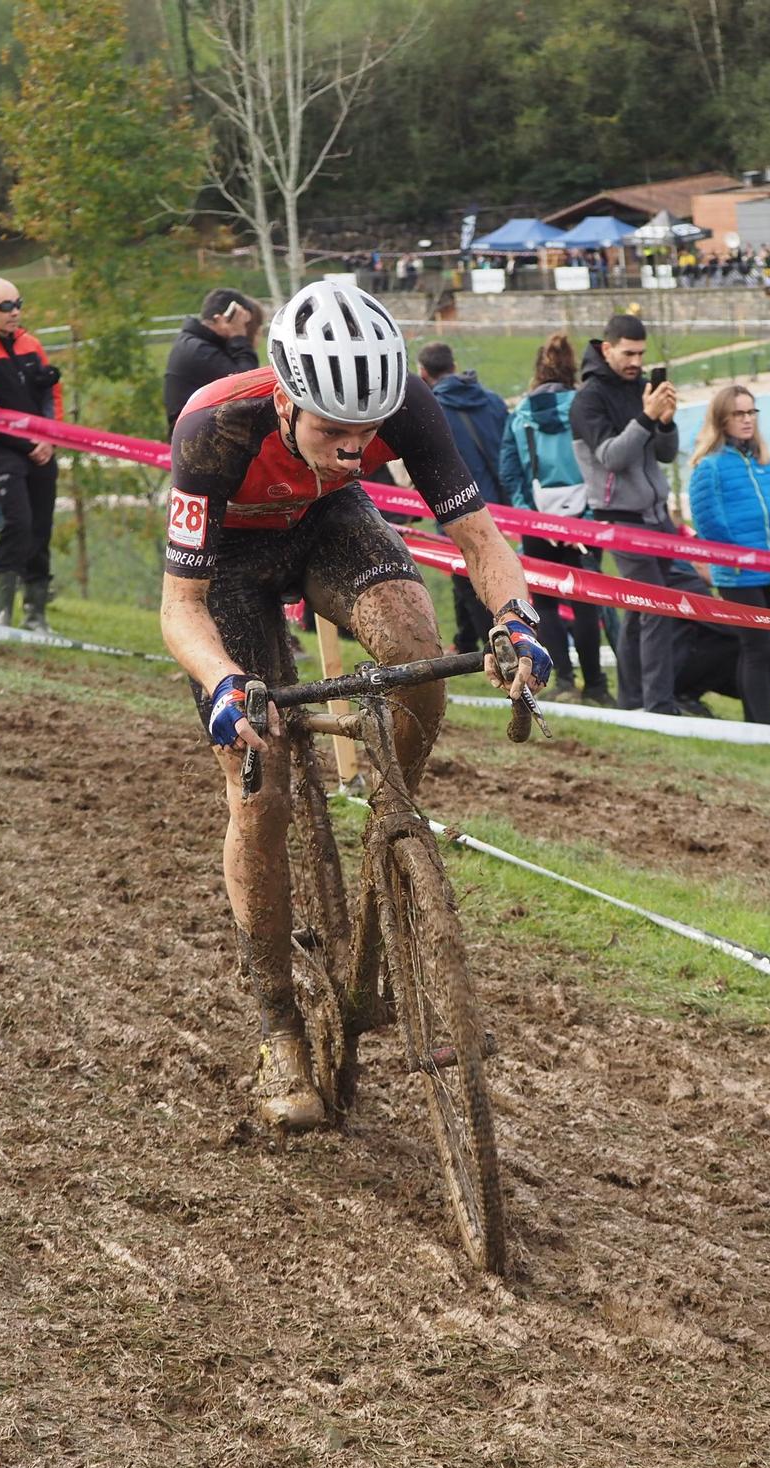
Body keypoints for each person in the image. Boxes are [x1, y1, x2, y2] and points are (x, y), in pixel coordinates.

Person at [159, 281, 548, 1132]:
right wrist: (227, 687)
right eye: (332, 430)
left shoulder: (403, 400)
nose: (353, 447)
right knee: (257, 794)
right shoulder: (212, 427)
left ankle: (390, 821)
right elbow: (177, 608)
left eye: (367, 432)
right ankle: (279, 1029)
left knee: (414, 640)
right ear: (286, 399)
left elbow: (482, 542)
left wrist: (517, 621)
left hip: (328, 527)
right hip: (224, 569)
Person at [570, 312, 703, 714]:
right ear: (606, 348)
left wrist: (665, 423)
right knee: (656, 606)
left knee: (647, 609)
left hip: (656, 514)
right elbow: (611, 458)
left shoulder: (639, 386)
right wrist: (645, 418)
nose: (635, 362)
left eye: (640, 354)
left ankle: (636, 699)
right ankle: (658, 705)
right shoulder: (588, 399)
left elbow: (662, 454)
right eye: (628, 353)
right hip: (620, 518)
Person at [496, 332, 608, 703]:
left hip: (538, 520)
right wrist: (589, 515)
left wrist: (530, 517)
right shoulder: (585, 406)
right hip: (584, 518)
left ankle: (563, 680)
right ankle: (596, 685)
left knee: (542, 605)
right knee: (586, 604)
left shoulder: (520, 414)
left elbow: (509, 471)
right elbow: (600, 461)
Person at [686, 384, 770, 723]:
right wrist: (738, 557)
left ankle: (757, 721)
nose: (747, 419)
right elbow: (707, 521)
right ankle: (761, 725)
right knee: (756, 647)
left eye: (751, 412)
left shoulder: (762, 461)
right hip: (738, 574)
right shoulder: (710, 466)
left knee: (765, 647)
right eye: (739, 413)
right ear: (723, 419)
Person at [0, 276, 63, 632]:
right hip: (1, 449)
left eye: (18, 303)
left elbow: (52, 396)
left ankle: (36, 614)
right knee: (17, 524)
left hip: (43, 447)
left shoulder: (32, 345)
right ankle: (2, 612)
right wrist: (28, 444)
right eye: (6, 306)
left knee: (41, 528)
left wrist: (50, 438)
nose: (15, 312)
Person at [418, 341, 510, 655]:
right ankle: (466, 640)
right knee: (469, 572)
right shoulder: (494, 401)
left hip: (454, 503)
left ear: (423, 372)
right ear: (453, 365)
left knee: (468, 576)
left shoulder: (430, 409)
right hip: (498, 501)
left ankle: (495, 643)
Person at [163, 287, 262, 432]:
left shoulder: (197, 343)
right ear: (221, 319)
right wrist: (238, 336)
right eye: (241, 323)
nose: (245, 330)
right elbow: (248, 386)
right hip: (192, 443)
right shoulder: (199, 350)